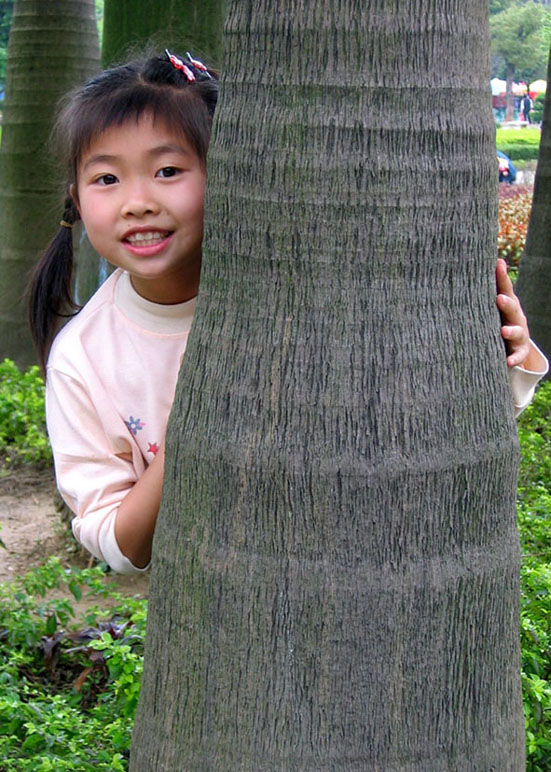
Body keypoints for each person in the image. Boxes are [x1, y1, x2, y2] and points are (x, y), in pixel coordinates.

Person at [28, 52, 548, 575]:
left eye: (168, 170)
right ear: (75, 198)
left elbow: (420, 424)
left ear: (232, 176)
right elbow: (117, 543)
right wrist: (202, 418)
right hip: (221, 606)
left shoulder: (311, 289)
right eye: (106, 180)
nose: (136, 202)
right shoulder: (84, 358)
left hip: (375, 571)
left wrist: (505, 365)